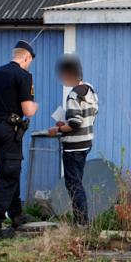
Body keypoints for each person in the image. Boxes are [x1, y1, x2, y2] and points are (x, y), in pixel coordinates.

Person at [0, 40, 38, 241]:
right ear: (26, 57)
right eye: (30, 61)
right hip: (8, 130)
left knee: (10, 170)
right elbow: (28, 110)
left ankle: (17, 214)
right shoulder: (23, 75)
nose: (29, 64)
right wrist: (35, 106)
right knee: (8, 175)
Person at [47, 55, 99, 226]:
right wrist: (67, 123)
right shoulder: (90, 90)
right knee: (78, 181)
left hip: (73, 146)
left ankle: (82, 222)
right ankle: (81, 221)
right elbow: (87, 117)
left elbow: (75, 123)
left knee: (74, 185)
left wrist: (58, 129)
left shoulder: (73, 95)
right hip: (86, 143)